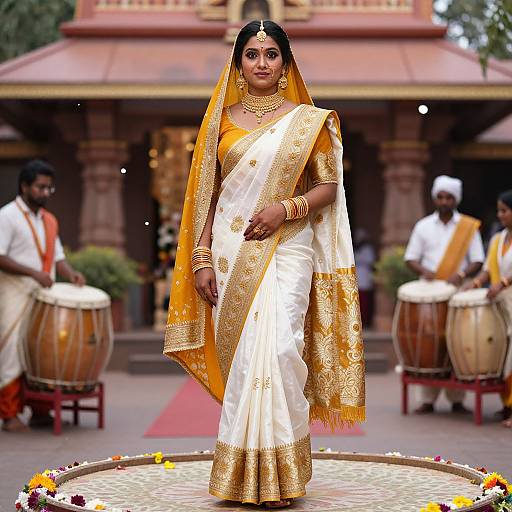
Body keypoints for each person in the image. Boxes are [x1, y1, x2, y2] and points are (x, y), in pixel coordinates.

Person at [163, 20, 365, 508]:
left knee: (279, 349)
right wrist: (202, 257)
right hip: (232, 254)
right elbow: (206, 199)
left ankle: (284, 476)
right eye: (251, 54)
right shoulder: (221, 122)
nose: (261, 63)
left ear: (285, 63)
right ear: (237, 65)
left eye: (271, 54)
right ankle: (240, 478)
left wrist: (284, 210)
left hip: (288, 245)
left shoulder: (306, 120)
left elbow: (328, 187)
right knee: (245, 362)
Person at [0, 160, 85, 433]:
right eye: (40, 187)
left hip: (42, 296)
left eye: (49, 188)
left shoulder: (49, 220)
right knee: (12, 351)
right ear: (24, 186)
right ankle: (9, 414)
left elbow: (58, 257)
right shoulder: (7, 216)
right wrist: (34, 273)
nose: (46, 192)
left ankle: (39, 411)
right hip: (13, 293)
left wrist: (70, 274)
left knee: (40, 353)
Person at [404, 175, 484, 414]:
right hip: (429, 294)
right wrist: (425, 271)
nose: (444, 201)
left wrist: (460, 274)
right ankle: (427, 399)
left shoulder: (468, 227)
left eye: (449, 197)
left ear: (455, 199)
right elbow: (410, 258)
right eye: (440, 196)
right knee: (431, 344)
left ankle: (457, 399)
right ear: (435, 198)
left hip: (459, 292)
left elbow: (478, 260)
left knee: (457, 343)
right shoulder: (423, 226)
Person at [467, 190, 512, 427]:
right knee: (501, 353)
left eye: (504, 210)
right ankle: (507, 405)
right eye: (499, 211)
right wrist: (474, 283)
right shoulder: (496, 239)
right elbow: (486, 268)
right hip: (498, 305)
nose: (500, 215)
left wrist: (503, 282)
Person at [353, 228, 376, 327]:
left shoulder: (368, 249)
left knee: (365, 303)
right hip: (355, 277)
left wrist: (359, 259)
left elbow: (370, 260)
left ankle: (365, 322)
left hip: (365, 277)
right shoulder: (353, 248)